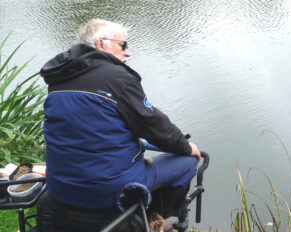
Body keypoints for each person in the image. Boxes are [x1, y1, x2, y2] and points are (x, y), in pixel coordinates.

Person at [40, 19, 201, 212]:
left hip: (60, 187)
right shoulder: (118, 77)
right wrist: (185, 147)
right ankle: (149, 222)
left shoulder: (59, 79)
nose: (128, 52)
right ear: (101, 44)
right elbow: (155, 127)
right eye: (123, 45)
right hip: (110, 190)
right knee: (188, 162)